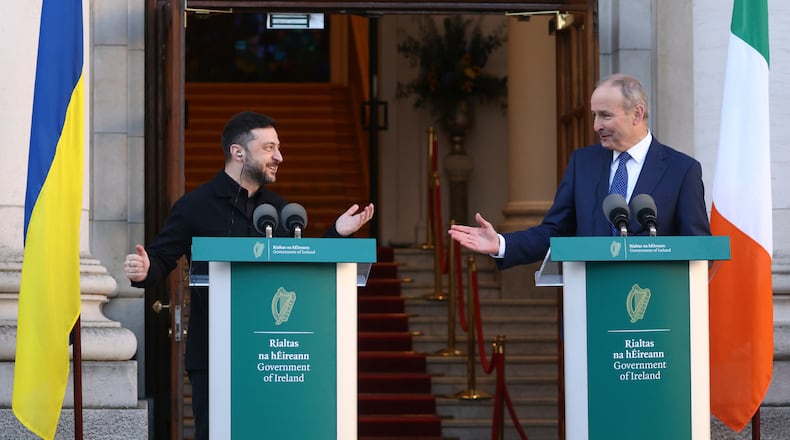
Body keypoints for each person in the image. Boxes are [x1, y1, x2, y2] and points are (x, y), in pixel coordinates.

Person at [123, 111, 374, 440]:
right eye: (270, 148)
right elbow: (160, 258)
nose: (279, 157)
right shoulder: (195, 206)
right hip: (215, 357)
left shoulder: (282, 211)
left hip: (272, 357)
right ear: (238, 152)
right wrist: (145, 269)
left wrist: (336, 235)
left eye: (278, 148)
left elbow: (301, 271)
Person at [448, 73, 710, 268]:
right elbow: (554, 231)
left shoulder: (682, 170)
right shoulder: (582, 163)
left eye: (605, 116)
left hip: (656, 314)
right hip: (591, 305)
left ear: (637, 114)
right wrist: (502, 244)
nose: (596, 126)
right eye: (594, 115)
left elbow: (700, 251)